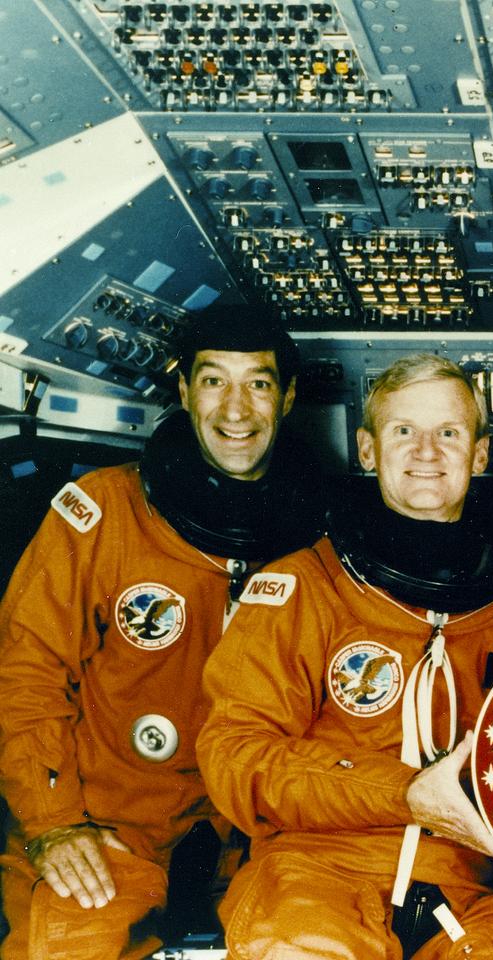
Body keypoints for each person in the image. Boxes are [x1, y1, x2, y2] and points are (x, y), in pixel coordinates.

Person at [197, 353, 493, 960]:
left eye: (448, 433)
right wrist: (405, 793)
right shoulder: (303, 587)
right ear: (368, 450)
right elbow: (237, 754)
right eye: (404, 432)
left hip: (470, 892)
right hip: (316, 875)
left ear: (478, 455)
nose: (427, 452)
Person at [0, 303, 322, 960]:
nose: (236, 410)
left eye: (257, 383)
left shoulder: (321, 539)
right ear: (183, 390)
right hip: (110, 832)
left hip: (257, 843)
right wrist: (54, 823)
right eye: (213, 381)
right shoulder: (103, 514)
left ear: (287, 398)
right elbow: (25, 672)